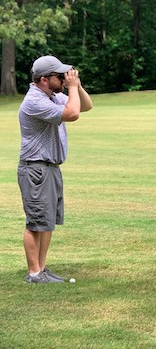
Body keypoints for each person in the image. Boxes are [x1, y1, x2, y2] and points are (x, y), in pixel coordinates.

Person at [17, 55, 93, 283]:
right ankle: (34, 273)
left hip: (49, 168)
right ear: (43, 79)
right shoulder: (35, 101)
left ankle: (42, 269)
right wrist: (70, 88)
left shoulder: (52, 96)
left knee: (47, 222)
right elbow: (73, 114)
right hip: (36, 169)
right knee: (36, 222)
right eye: (58, 76)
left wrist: (75, 87)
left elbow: (86, 106)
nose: (62, 79)